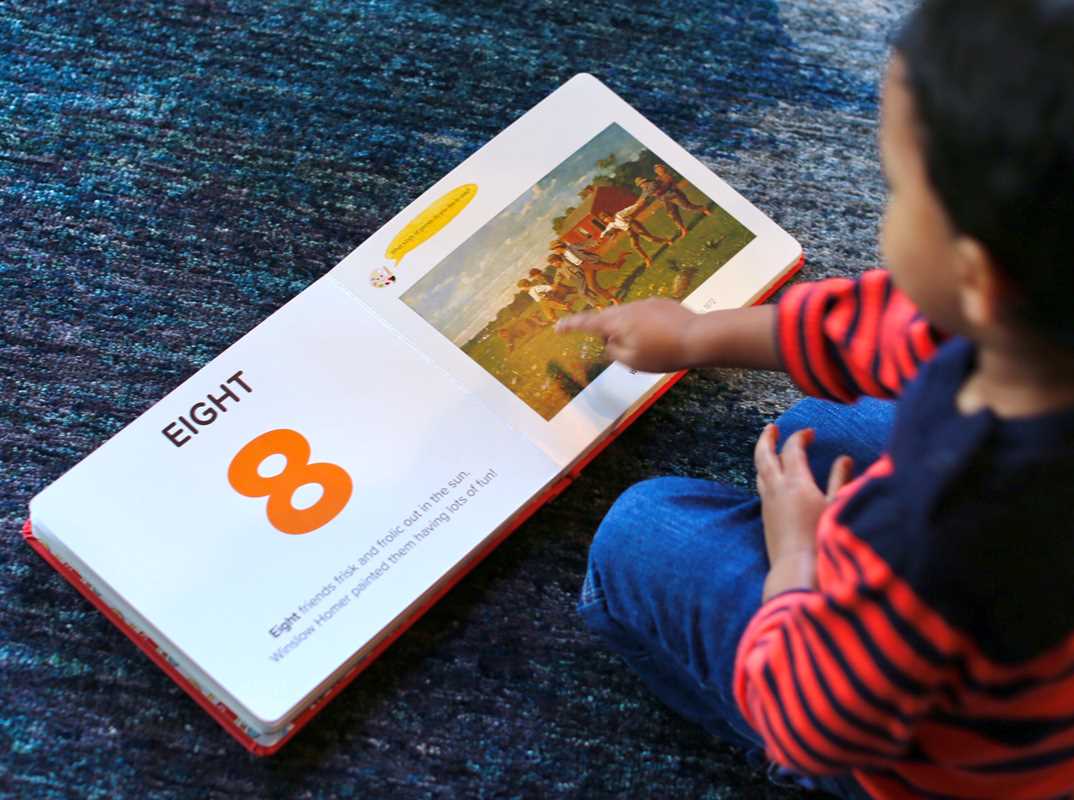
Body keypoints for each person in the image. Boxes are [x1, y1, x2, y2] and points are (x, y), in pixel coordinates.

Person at [556, 1, 1074, 797]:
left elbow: (814, 719)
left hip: (943, 756)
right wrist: (695, 335)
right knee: (815, 425)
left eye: (897, 189)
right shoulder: (1030, 323)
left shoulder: (937, 532)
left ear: (978, 278)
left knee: (640, 530)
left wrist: (800, 558)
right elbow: (882, 325)